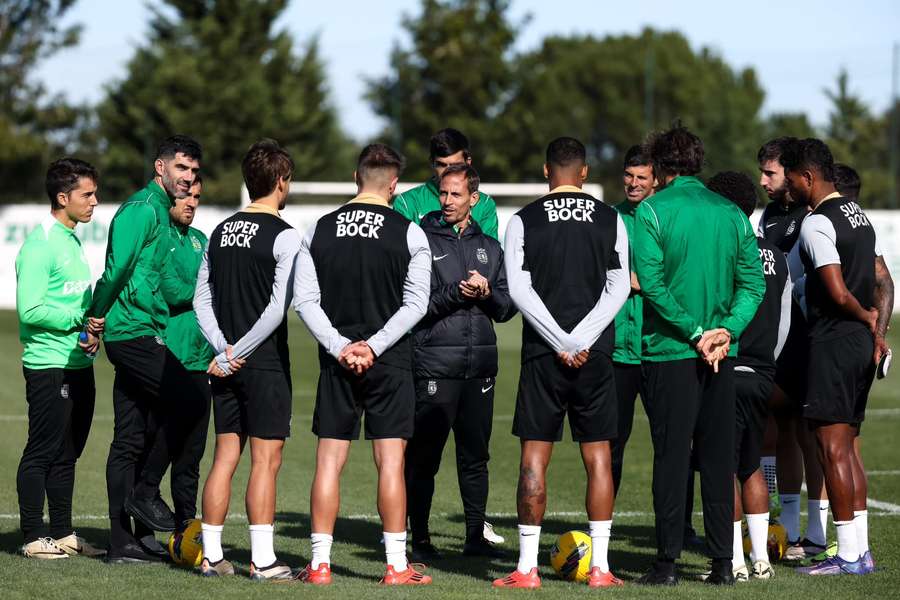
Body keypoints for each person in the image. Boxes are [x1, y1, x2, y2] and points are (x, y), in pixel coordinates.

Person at [494, 137, 630, 589]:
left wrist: (558, 340)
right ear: (585, 173)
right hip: (595, 354)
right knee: (599, 459)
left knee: (534, 459)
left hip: (543, 356)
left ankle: (527, 569)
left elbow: (518, 289)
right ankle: (602, 570)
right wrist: (583, 338)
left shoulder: (522, 220)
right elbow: (619, 287)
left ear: (545, 169)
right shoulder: (611, 218)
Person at [294, 143, 432, 586]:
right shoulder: (410, 232)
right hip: (389, 361)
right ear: (394, 184)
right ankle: (395, 566)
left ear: (356, 178)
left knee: (329, 461)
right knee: (391, 463)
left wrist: (341, 347)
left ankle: (319, 565)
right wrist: (372, 346)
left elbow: (305, 302)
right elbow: (416, 305)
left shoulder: (318, 229)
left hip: (337, 363)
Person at [632, 125, 764, 586]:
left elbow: (652, 284)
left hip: (671, 352)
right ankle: (723, 564)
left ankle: (666, 563)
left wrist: (696, 333)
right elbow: (754, 284)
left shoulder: (651, 210)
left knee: (671, 457)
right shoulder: (731, 214)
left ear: (660, 166)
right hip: (720, 356)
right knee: (718, 458)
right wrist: (725, 332)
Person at [86, 135, 200, 563]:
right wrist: (95, 318)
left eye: (192, 172)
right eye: (181, 169)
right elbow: (117, 268)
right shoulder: (141, 209)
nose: (188, 179)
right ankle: (146, 494)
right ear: (160, 167)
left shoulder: (162, 215)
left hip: (142, 327)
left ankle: (121, 543)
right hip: (130, 331)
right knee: (189, 402)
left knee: (130, 438)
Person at [193, 139, 300, 580]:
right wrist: (242, 350)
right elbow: (279, 307)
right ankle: (263, 559)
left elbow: (201, 297)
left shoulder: (220, 230)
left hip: (225, 361)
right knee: (265, 461)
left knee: (224, 456)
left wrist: (223, 348)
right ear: (280, 181)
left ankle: (213, 557)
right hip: (262, 362)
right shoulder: (286, 234)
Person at [404, 163, 516, 562]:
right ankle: (418, 539)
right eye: (443, 193)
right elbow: (415, 307)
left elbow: (505, 308)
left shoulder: (491, 246)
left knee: (475, 456)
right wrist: (456, 292)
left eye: (456, 194)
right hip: (434, 364)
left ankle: (474, 536)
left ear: (474, 199)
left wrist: (485, 292)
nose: (447, 201)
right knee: (424, 457)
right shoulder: (419, 240)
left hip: (480, 368)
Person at [783, 139, 882, 576]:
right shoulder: (860, 217)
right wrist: (875, 332)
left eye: (791, 179)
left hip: (835, 340)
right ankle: (859, 551)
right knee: (848, 448)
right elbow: (881, 279)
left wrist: (865, 317)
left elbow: (839, 292)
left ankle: (845, 557)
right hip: (857, 345)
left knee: (832, 449)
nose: (788, 188)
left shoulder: (816, 223)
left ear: (808, 177)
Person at [15, 158, 105, 559]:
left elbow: (76, 304)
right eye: (87, 194)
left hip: (78, 363)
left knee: (68, 454)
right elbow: (30, 310)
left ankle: (65, 532)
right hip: (48, 365)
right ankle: (34, 536)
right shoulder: (40, 244)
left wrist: (90, 335)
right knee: (42, 451)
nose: (95, 201)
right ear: (62, 197)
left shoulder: (72, 239)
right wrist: (77, 319)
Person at [707, 171, 792, 581]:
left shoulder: (723, 250)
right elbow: (786, 321)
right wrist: (768, 362)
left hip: (725, 366)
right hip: (762, 371)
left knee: (722, 466)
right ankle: (760, 558)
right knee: (751, 463)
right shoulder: (775, 254)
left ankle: (735, 562)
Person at [758, 137, 826, 561]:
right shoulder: (768, 214)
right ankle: (782, 522)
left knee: (806, 433)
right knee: (775, 429)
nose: (763, 180)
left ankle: (817, 530)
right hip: (772, 339)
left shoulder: (810, 215)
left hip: (806, 339)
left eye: (771, 173)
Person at [135, 176, 214, 537]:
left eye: (197, 197)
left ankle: (186, 524)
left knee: (191, 456)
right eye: (185, 196)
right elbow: (169, 290)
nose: (191, 203)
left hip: (200, 360)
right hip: (166, 359)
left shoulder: (201, 241)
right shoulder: (160, 238)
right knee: (153, 441)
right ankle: (142, 528)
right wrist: (206, 288)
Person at [609, 144, 656, 495]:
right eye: (629, 175)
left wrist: (638, 282)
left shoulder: (665, 217)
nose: (634, 182)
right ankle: (602, 523)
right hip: (617, 351)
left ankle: (679, 527)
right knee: (611, 443)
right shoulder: (608, 218)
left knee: (672, 444)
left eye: (642, 177)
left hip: (659, 348)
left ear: (655, 180)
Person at [394, 128, 499, 240]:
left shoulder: (484, 204)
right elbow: (400, 253)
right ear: (432, 163)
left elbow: (489, 254)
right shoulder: (407, 203)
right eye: (442, 165)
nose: (448, 172)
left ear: (468, 163)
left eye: (456, 166)